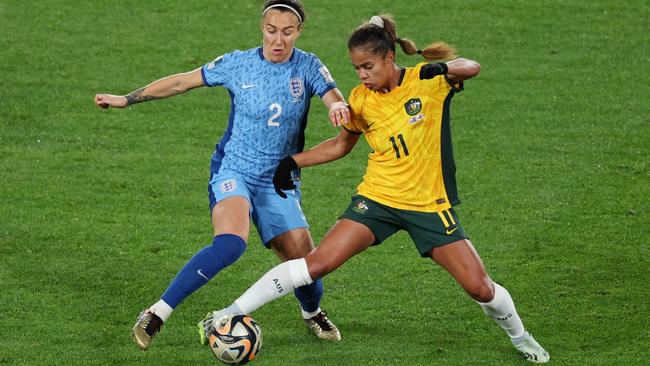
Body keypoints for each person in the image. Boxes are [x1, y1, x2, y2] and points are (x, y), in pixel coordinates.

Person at [200, 14, 550, 364]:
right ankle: (227, 313)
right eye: (356, 69)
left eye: (367, 66)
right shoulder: (361, 99)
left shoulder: (426, 84)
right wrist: (294, 162)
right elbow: (341, 146)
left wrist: (440, 69)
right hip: (378, 200)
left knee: (480, 287)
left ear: (388, 58)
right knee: (316, 263)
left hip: (428, 205)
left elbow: (471, 67)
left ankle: (521, 338)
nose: (362, 75)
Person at [95, 0, 351, 351]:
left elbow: (333, 97)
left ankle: (312, 313)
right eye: (272, 31)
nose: (279, 40)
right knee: (231, 243)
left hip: (278, 179)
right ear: (262, 28)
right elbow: (182, 83)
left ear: (298, 32)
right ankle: (156, 313)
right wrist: (128, 98)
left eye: (287, 32)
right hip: (235, 170)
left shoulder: (308, 66)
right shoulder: (238, 63)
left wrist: (338, 106)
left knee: (306, 266)